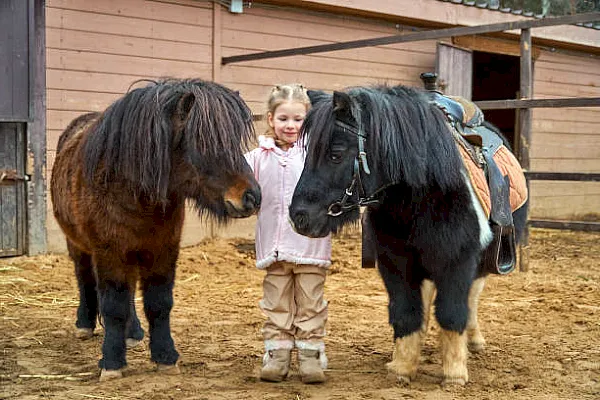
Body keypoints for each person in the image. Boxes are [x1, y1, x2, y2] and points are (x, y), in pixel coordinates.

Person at [244, 84, 332, 384]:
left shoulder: (315, 156)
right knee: (276, 303)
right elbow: (242, 187)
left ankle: (310, 356)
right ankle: (277, 356)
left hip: (310, 246)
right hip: (274, 248)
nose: (290, 125)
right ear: (270, 119)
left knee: (310, 302)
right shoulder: (256, 157)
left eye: (298, 119)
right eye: (283, 119)